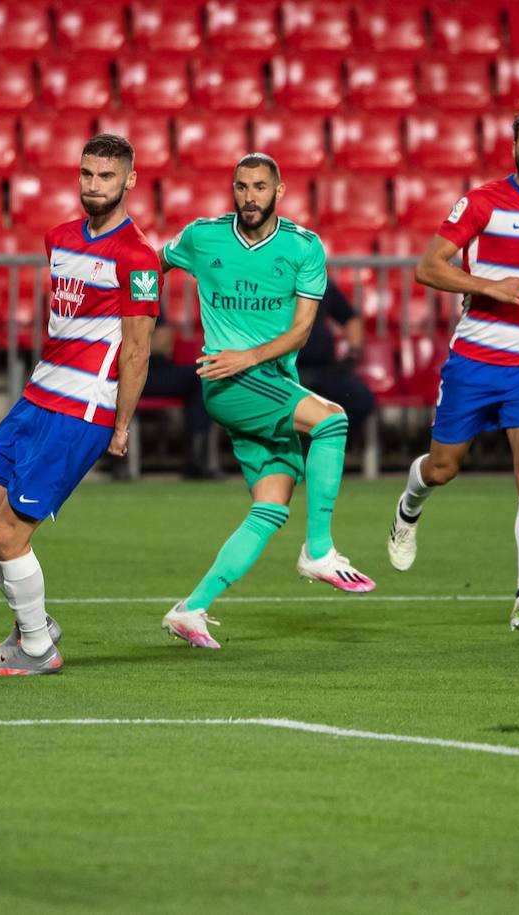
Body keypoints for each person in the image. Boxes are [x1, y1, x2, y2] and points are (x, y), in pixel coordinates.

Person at [158, 152, 376, 651]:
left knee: (271, 506)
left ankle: (191, 609)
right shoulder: (202, 235)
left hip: (270, 380)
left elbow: (301, 332)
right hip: (227, 383)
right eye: (241, 186)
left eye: (259, 187)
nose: (249, 196)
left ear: (278, 192)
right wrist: (136, 318)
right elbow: (154, 264)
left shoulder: (303, 248)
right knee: (332, 421)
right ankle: (319, 550)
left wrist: (250, 356)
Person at [0, 134, 158, 675]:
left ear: (129, 182)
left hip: (81, 410)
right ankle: (36, 625)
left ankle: (37, 648)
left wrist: (121, 426)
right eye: (87, 175)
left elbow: (137, 350)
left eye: (107, 177)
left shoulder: (138, 258)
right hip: (36, 396)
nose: (94, 186)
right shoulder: (59, 238)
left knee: (9, 534)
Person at [386, 103, 519, 632]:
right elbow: (429, 267)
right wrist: (488, 287)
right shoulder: (482, 201)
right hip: (475, 360)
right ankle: (408, 507)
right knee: (443, 468)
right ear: (514, 145)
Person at [295, 278, 374, 452]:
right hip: (287, 369)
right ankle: (296, 451)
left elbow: (350, 319)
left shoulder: (321, 284)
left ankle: (328, 446)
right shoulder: (270, 284)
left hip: (324, 369)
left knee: (362, 399)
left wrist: (353, 352)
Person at [140, 315, 221, 479]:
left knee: (202, 375)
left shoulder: (145, 290)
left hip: (155, 371)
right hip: (122, 374)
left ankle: (197, 458)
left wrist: (133, 344)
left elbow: (164, 342)